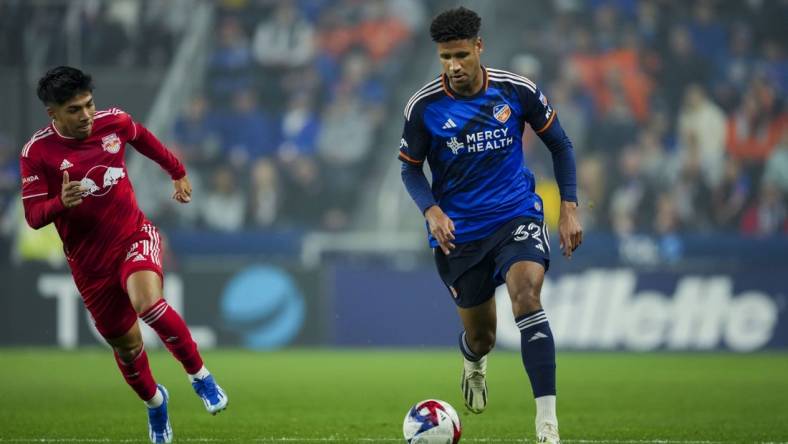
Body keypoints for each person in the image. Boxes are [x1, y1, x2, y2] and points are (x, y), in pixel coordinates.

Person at [398, 8, 582, 443]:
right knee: (482, 337)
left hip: (515, 215)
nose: (454, 66)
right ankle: (474, 360)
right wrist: (431, 210)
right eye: (445, 57)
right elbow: (409, 170)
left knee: (526, 296)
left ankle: (547, 425)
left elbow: (560, 143)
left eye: (461, 54)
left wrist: (570, 206)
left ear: (479, 47)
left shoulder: (515, 91)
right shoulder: (424, 106)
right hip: (459, 233)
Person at [19, 66, 228, 443]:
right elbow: (33, 216)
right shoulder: (37, 153)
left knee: (148, 303)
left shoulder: (112, 121)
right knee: (128, 347)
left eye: (88, 105)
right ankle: (156, 405)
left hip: (132, 234)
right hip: (88, 263)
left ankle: (201, 377)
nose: (86, 115)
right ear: (53, 114)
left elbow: (144, 138)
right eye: (74, 110)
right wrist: (59, 203)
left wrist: (177, 171)